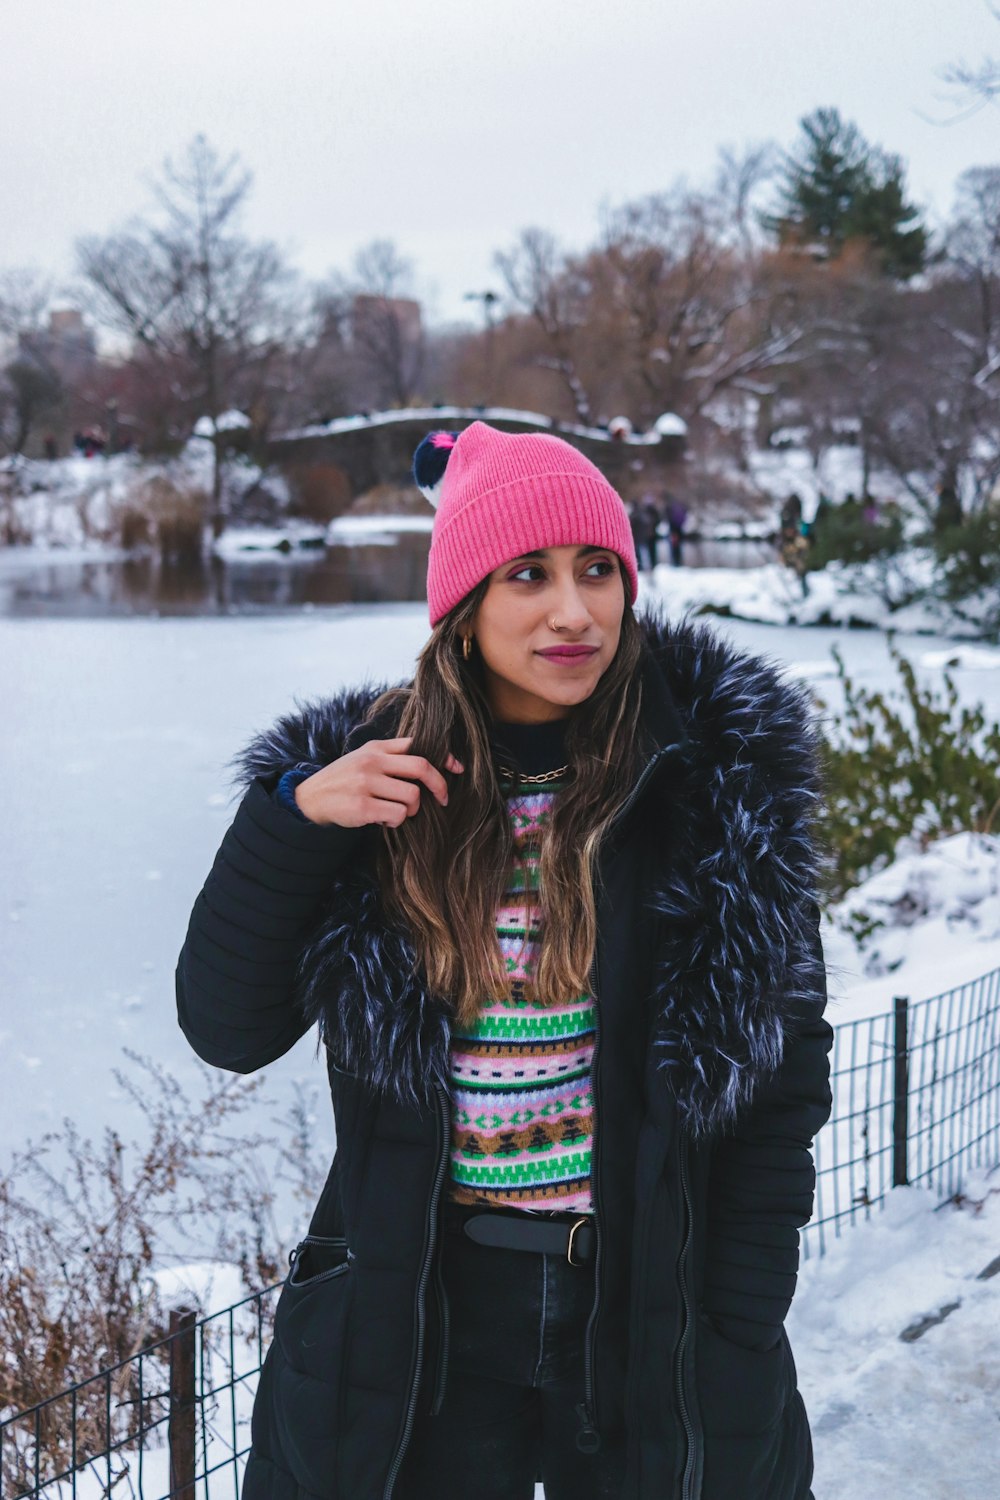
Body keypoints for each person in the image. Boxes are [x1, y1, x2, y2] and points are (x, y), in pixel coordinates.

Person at [176, 421, 832, 1500]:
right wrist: (291, 825)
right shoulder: (372, 786)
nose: (573, 611)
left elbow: (781, 1078)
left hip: (644, 1306)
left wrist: (739, 1315)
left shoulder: (713, 784)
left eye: (598, 571)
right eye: (527, 574)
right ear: (463, 607)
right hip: (416, 1315)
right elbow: (226, 1028)